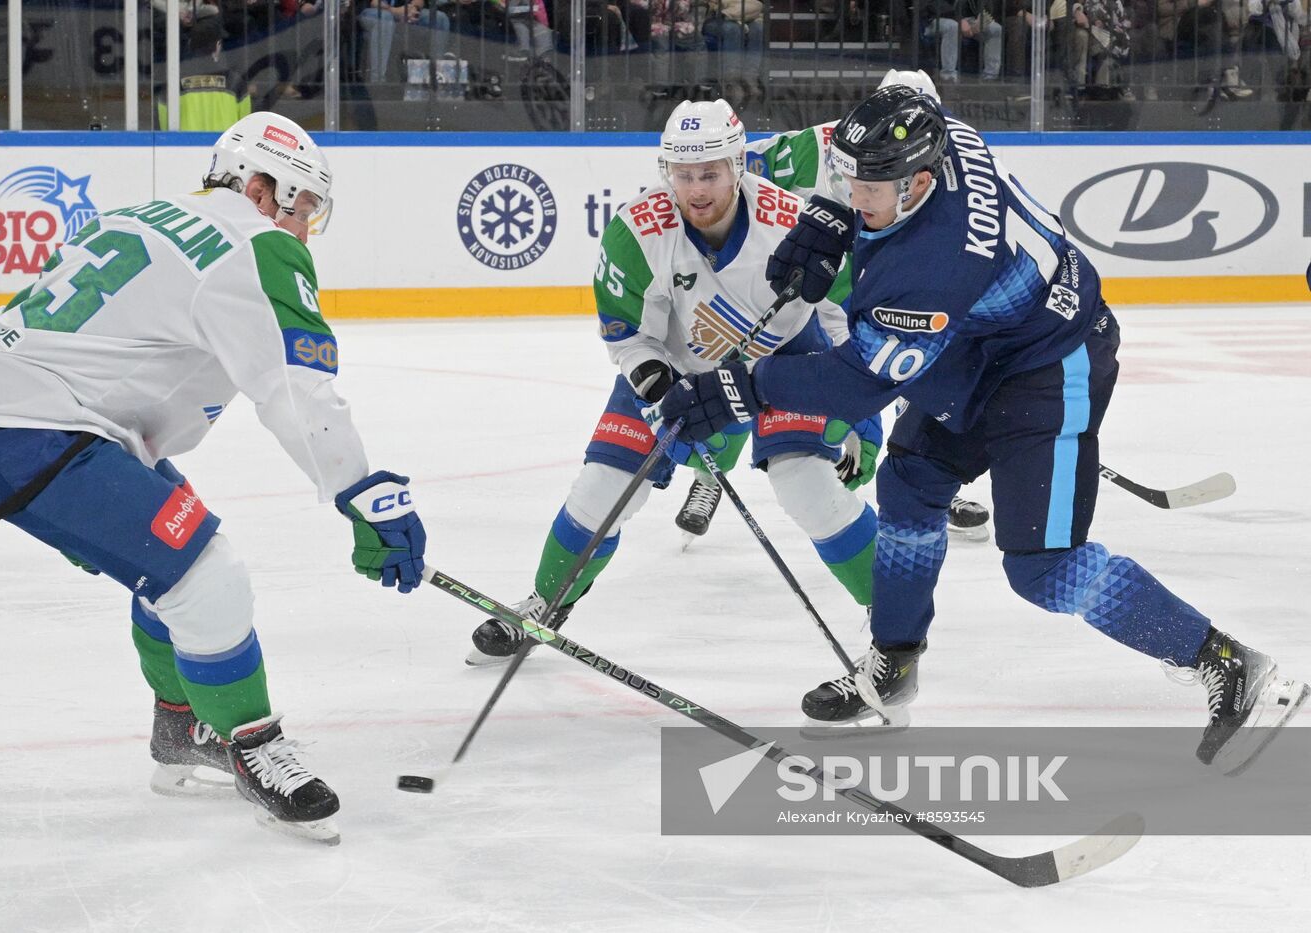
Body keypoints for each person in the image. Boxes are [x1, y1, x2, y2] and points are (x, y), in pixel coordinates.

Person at [653, 85, 1307, 772]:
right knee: (907, 485)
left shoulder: (931, 267)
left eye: (869, 186)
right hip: (983, 343)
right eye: (852, 177)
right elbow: (860, 147)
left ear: (919, 183)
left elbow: (857, 384)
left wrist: (739, 389)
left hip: (1052, 362)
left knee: (1044, 566)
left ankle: (1232, 665)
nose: (855, 189)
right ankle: (894, 665)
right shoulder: (938, 137)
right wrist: (829, 216)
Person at [0, 113, 427, 843]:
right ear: (260, 186)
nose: (303, 228)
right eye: (301, 207)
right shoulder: (255, 245)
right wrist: (362, 492)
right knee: (209, 575)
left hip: (27, 417)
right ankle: (251, 744)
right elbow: (298, 391)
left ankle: (181, 730)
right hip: (30, 430)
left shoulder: (147, 213)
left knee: (175, 566)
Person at [465, 99, 879, 666]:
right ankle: (546, 601)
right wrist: (656, 386)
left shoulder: (791, 223)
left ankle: (894, 629)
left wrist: (861, 416)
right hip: (681, 369)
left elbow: (851, 321)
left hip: (787, 364)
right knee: (602, 489)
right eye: (682, 175)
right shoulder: (638, 230)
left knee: (808, 491)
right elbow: (627, 333)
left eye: (709, 173)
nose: (696, 189)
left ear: (739, 164)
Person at [675, 68, 993, 547]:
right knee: (743, 366)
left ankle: (931, 483)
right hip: (818, 296)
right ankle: (707, 476)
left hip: (889, 299)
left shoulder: (952, 173)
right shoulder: (827, 144)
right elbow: (743, 162)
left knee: (908, 378)